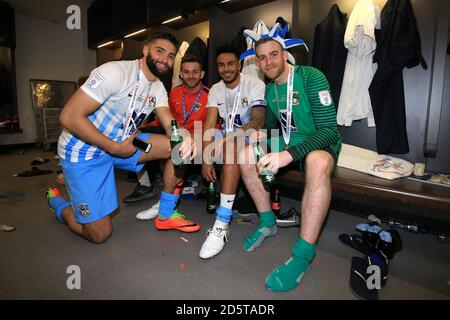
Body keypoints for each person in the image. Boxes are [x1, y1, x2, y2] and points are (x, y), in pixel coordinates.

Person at [45, 32, 197, 243]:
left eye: (171, 55)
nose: (165, 59)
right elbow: (69, 116)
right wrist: (114, 148)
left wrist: (185, 136)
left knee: (176, 148)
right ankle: (58, 203)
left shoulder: (158, 87)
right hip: (84, 153)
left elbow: (169, 123)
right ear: (146, 50)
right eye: (159, 51)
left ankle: (165, 213)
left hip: (128, 142)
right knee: (99, 235)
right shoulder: (114, 72)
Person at [238, 23, 342, 291]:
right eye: (261, 57)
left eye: (273, 54)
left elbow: (329, 130)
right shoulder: (270, 89)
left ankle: (303, 256)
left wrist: (288, 154)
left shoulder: (310, 76)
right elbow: (276, 126)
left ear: (284, 54)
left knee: (317, 162)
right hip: (287, 144)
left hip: (317, 143)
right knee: (247, 153)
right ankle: (267, 222)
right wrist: (263, 135)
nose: (268, 61)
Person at [199, 44, 267, 259]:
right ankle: (164, 204)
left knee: (232, 146)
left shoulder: (254, 83)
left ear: (238, 64)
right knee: (187, 143)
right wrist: (206, 158)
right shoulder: (216, 90)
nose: (226, 69)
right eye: (221, 65)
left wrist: (229, 137)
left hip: (255, 138)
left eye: (230, 64)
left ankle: (222, 223)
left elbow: (257, 121)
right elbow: (210, 124)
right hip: (226, 140)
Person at [134, 54, 210, 222]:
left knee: (178, 152)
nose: (190, 75)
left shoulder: (209, 95)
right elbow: (166, 118)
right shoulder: (174, 93)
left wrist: (193, 137)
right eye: (186, 72)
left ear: (202, 74)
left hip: (199, 138)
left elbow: (212, 127)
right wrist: (142, 128)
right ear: (181, 74)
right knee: (137, 141)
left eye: (195, 72)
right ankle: (148, 186)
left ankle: (164, 203)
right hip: (175, 134)